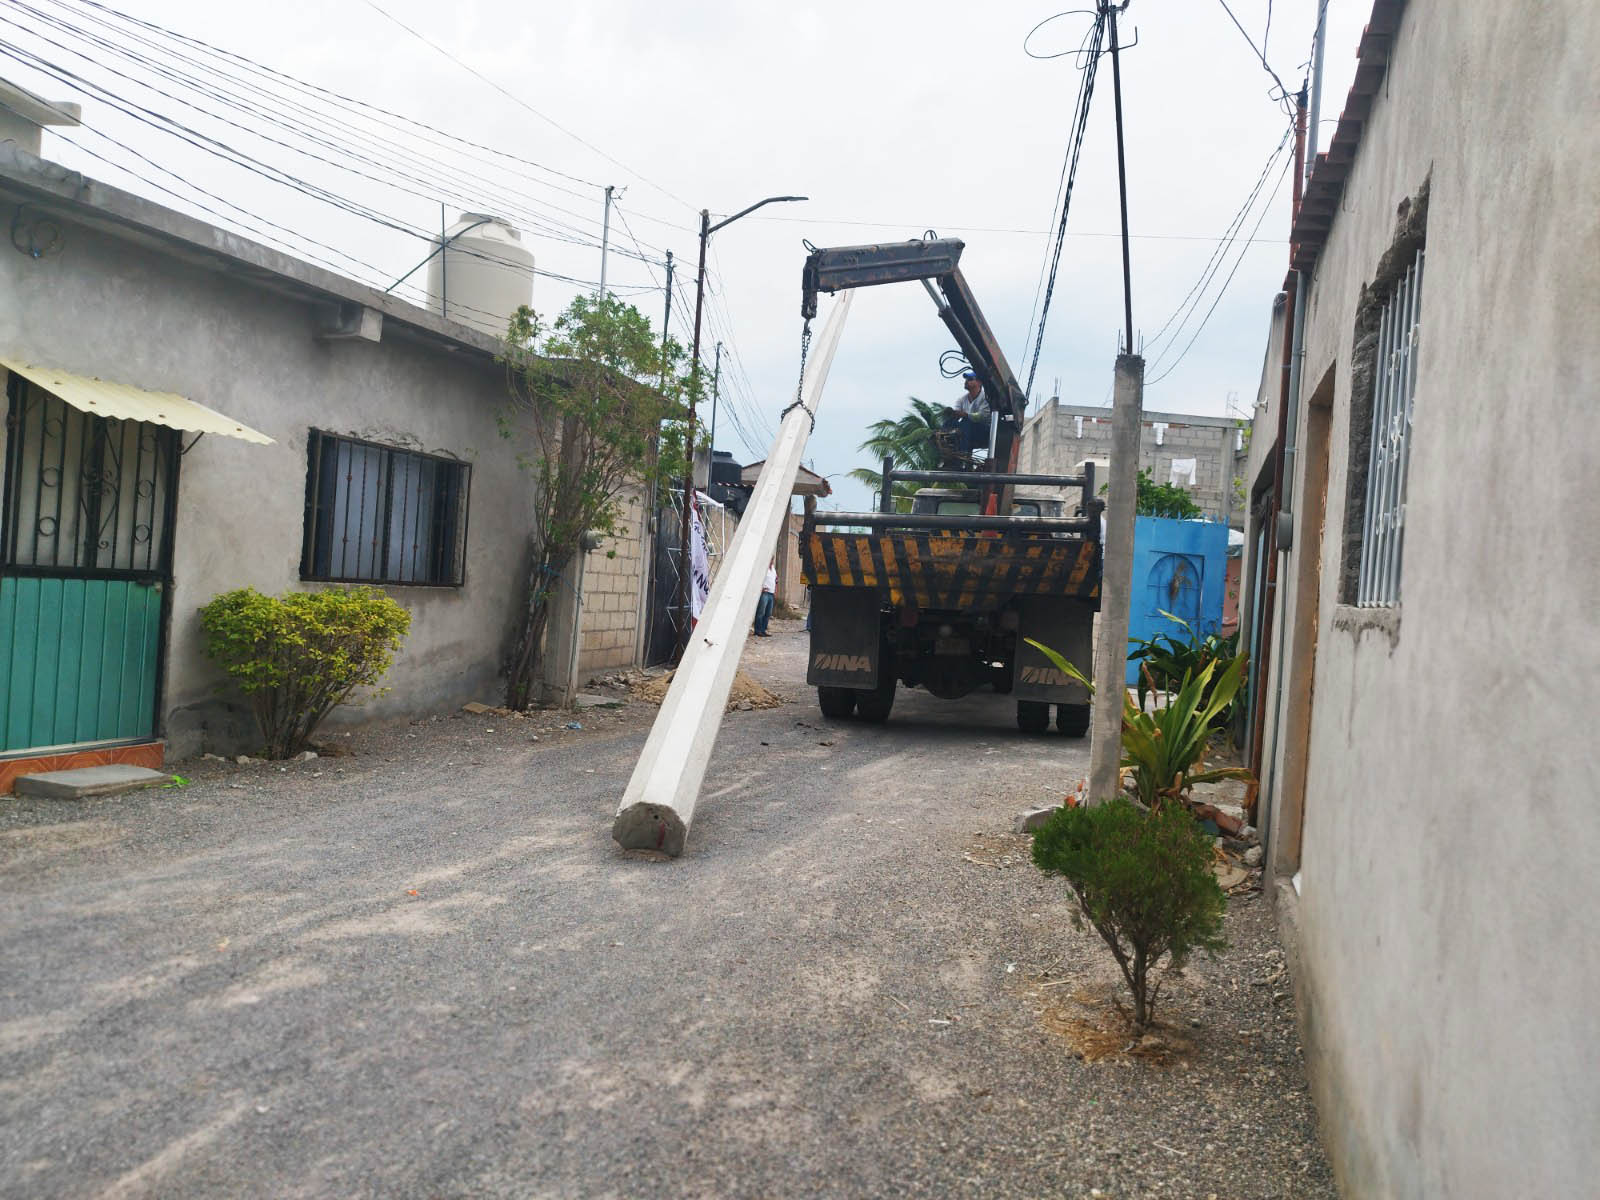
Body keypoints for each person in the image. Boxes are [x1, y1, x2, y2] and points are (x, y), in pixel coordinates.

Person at [940, 370, 991, 463]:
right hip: (968, 431)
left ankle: (962, 455)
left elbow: (982, 416)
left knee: (967, 421)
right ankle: (946, 453)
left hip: (985, 432)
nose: (966, 381)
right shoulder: (962, 399)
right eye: (966, 379)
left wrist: (966, 414)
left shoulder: (985, 397)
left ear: (979, 383)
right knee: (949, 423)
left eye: (970, 379)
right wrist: (952, 414)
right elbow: (956, 414)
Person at [753, 558, 777, 637]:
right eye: (770, 559)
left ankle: (763, 630)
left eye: (772, 559)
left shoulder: (773, 568)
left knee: (768, 613)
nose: (771, 561)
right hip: (764, 593)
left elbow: (776, 579)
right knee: (761, 612)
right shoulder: (763, 568)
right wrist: (761, 588)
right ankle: (758, 630)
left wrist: (775, 590)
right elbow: (757, 578)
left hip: (771, 593)